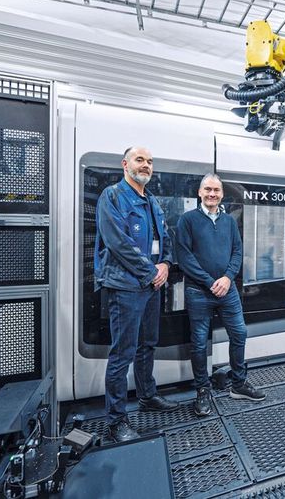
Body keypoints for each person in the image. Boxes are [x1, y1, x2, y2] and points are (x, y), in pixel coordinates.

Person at [94, 146, 178, 443]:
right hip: (127, 287)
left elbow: (165, 237)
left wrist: (166, 264)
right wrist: (151, 272)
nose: (146, 165)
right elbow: (118, 242)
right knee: (123, 353)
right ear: (125, 164)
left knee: (148, 345)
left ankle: (147, 395)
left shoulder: (152, 201)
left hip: (152, 285)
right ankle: (116, 420)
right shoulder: (112, 196)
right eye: (140, 160)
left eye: (150, 161)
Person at [176, 173, 266, 416]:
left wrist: (227, 278)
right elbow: (184, 257)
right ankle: (202, 391)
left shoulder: (228, 222)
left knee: (239, 332)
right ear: (200, 192)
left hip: (227, 291)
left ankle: (238, 384)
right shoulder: (187, 220)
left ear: (222, 194)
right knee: (198, 343)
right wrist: (209, 282)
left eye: (216, 190)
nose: (212, 194)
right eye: (208, 189)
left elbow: (237, 252)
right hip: (198, 292)